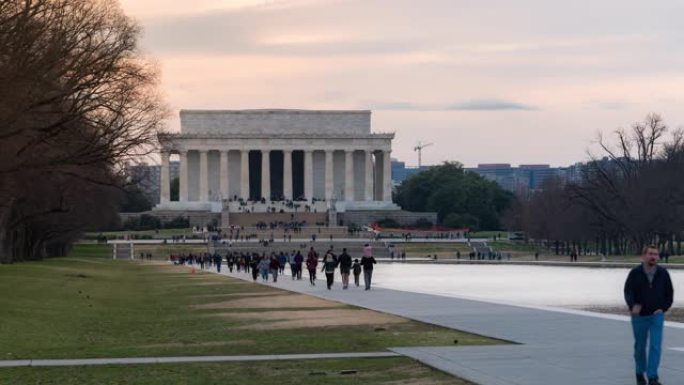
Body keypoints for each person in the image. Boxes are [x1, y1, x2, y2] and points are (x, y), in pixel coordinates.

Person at [624, 245, 674, 385]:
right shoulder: (635, 273)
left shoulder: (663, 273)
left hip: (656, 315)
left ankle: (653, 376)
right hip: (639, 316)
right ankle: (640, 373)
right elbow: (628, 291)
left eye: (655, 254)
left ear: (658, 257)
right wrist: (632, 305)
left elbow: (669, 294)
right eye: (650, 254)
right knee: (640, 346)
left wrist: (663, 308)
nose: (653, 257)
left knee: (655, 346)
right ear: (644, 256)